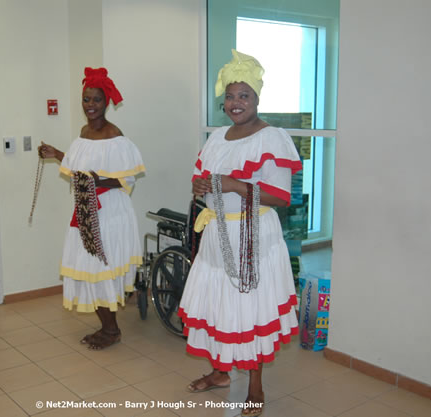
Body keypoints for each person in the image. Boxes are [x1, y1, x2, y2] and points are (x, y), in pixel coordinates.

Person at [178, 50, 302, 417]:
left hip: (254, 238)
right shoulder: (217, 137)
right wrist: (203, 186)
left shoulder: (272, 138)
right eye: (230, 96)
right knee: (219, 306)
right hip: (217, 237)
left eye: (244, 95)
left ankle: (255, 387)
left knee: (249, 308)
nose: (236, 103)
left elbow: (280, 197)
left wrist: (233, 185)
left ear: (258, 98)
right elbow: (204, 177)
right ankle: (219, 373)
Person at [38, 67, 145, 350]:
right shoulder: (84, 133)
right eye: (86, 100)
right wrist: (56, 153)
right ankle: (108, 327)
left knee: (100, 269)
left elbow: (127, 178)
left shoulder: (115, 135)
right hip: (86, 209)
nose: (91, 106)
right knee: (87, 266)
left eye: (96, 100)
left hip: (110, 211)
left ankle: (111, 330)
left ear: (106, 102)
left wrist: (101, 179)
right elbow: (78, 167)